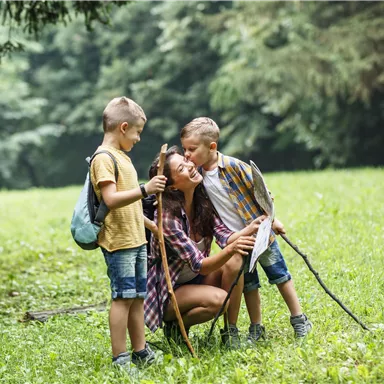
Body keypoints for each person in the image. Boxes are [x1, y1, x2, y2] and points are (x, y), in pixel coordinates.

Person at [180, 117, 312, 342]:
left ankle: (299, 318)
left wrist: (273, 219)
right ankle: (256, 328)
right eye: (185, 149)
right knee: (249, 285)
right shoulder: (198, 178)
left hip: (261, 234)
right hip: (238, 242)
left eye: (191, 149)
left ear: (212, 147)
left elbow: (262, 192)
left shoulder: (233, 166)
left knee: (279, 275)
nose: (187, 155)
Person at [144, 146, 265, 349]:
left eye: (186, 161)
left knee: (236, 259)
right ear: (172, 187)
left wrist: (251, 228)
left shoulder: (202, 201)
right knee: (219, 302)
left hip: (195, 279)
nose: (191, 167)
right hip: (169, 292)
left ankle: (230, 333)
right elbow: (200, 264)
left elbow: (224, 235)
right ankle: (174, 325)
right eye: (181, 169)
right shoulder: (166, 218)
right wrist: (231, 248)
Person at [90, 96, 167, 367]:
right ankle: (120, 357)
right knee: (123, 298)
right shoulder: (104, 158)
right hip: (119, 242)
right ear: (123, 127)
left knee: (137, 298)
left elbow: (130, 205)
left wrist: (151, 227)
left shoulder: (122, 158)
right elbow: (111, 199)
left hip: (136, 239)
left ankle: (140, 350)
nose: (138, 138)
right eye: (137, 132)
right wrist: (146, 189)